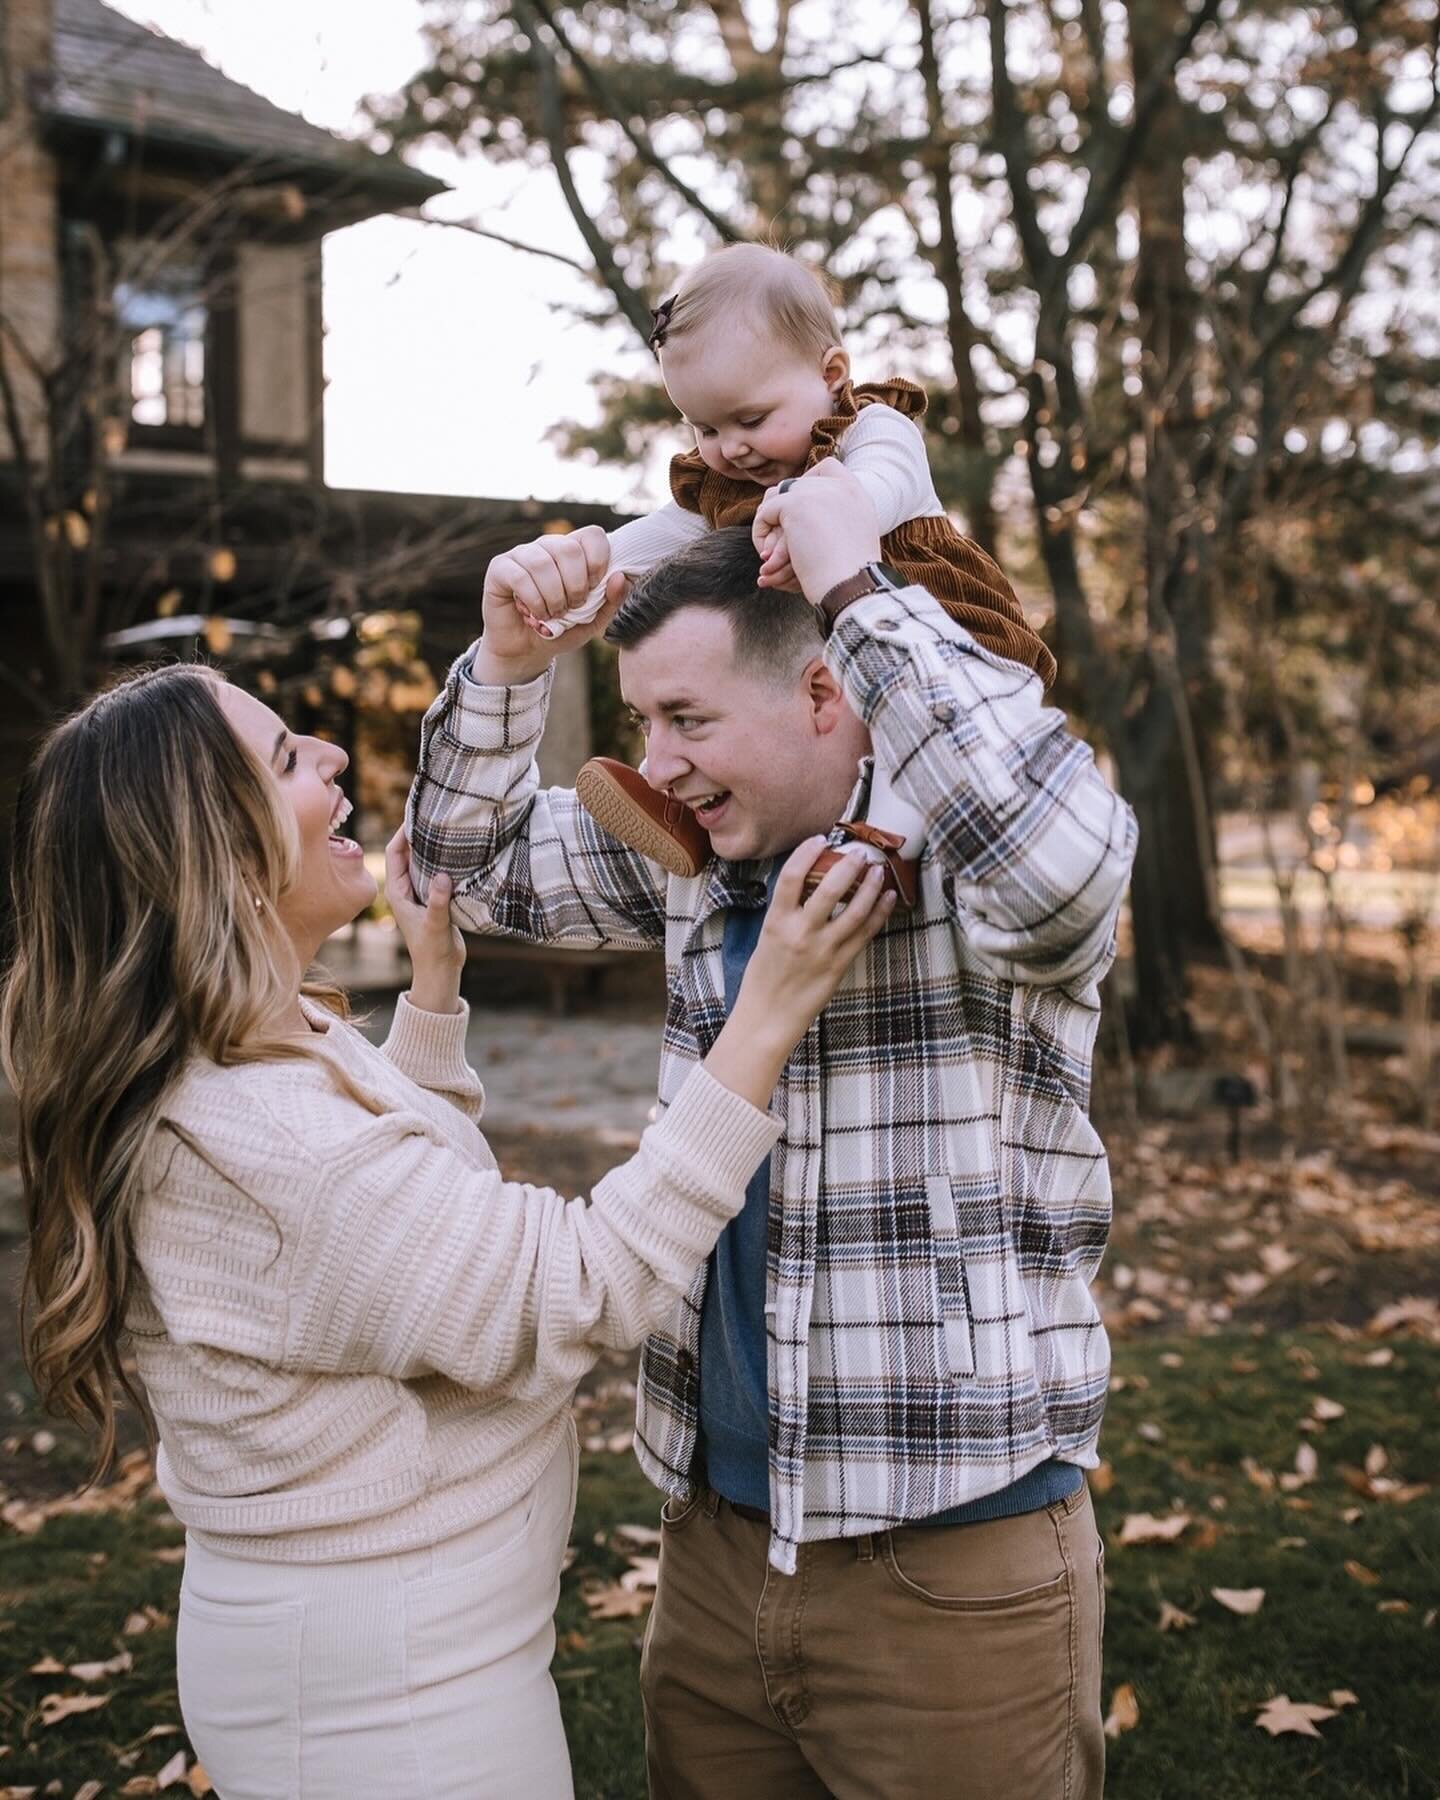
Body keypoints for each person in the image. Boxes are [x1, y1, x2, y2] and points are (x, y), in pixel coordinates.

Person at [1, 656, 892, 1800]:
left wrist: (430, 1000)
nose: (330, 755)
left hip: (383, 1654)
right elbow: (575, 1289)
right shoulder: (276, 1146)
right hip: (392, 1705)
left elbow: (393, 1234)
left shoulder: (254, 1052)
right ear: (223, 862)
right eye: (286, 760)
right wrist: (766, 1010)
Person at [407, 459, 1138, 1798]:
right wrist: (508, 662)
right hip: (716, 1545)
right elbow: (457, 871)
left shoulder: (973, 864)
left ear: (823, 691)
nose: (657, 764)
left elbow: (1067, 872)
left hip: (948, 1555)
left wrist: (860, 587)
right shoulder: (694, 850)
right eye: (644, 721)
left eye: (686, 717)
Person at [535, 242, 1057, 897]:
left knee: (904, 736)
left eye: (750, 419)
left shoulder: (874, 431)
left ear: (831, 372)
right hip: (841, 665)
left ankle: (877, 853)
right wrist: (590, 563)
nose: (732, 448)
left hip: (945, 638)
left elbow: (884, 485)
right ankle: (683, 810)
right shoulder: (727, 484)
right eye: (705, 428)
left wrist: (822, 516)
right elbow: (664, 533)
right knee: (698, 699)